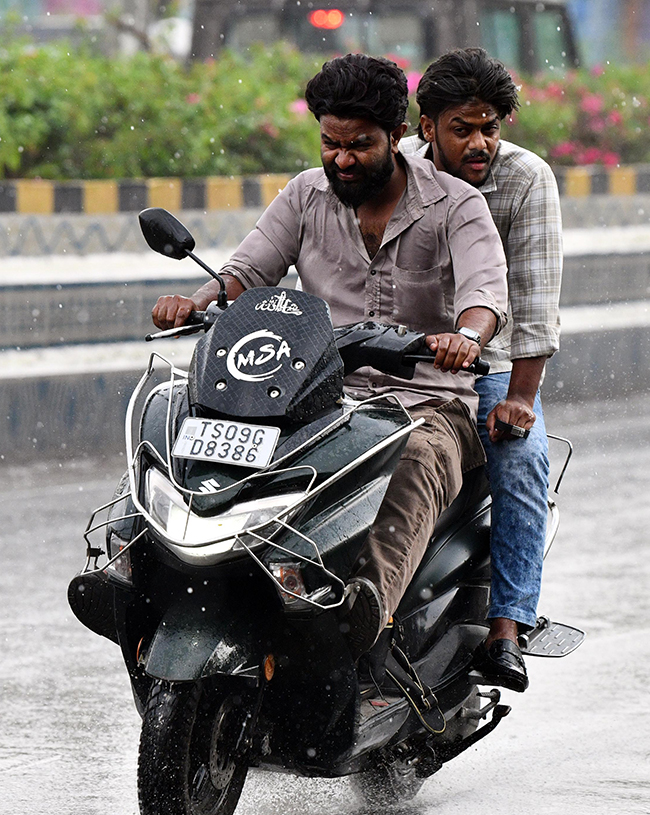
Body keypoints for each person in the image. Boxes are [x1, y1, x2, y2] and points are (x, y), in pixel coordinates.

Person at [152, 53, 508, 663]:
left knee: (416, 458)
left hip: (428, 403)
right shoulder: (305, 194)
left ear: (397, 134)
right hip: (313, 396)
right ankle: (143, 564)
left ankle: (363, 609)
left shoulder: (456, 206)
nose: (341, 159)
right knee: (179, 419)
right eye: (330, 143)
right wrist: (199, 300)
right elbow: (247, 270)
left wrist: (467, 337)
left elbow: (485, 294)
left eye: (359, 145)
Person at [400, 47, 562, 691]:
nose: (479, 143)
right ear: (427, 126)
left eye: (489, 128)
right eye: (461, 129)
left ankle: (508, 627)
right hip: (399, 360)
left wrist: (519, 397)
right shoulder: (397, 169)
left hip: (491, 364)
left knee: (521, 459)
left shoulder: (526, 180)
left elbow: (535, 298)